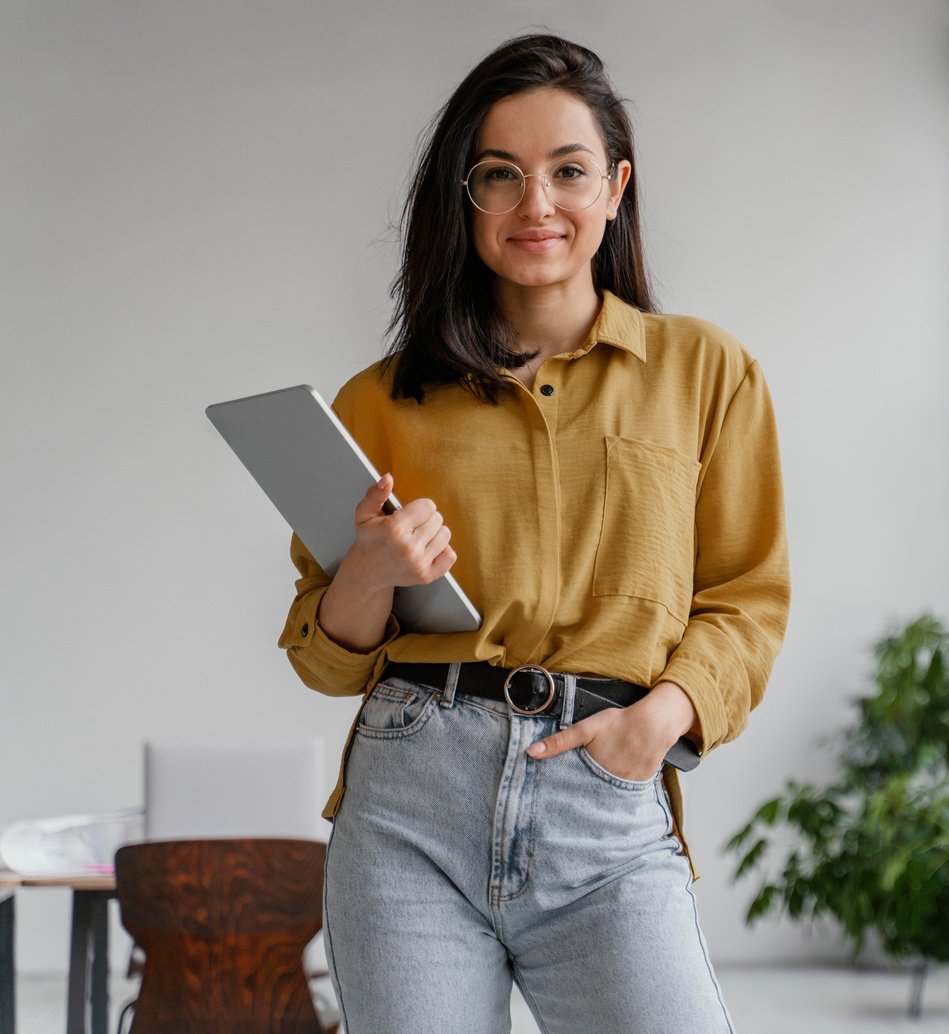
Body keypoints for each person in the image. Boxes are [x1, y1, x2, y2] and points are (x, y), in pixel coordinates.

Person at [277, 33, 789, 1033]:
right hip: (407, 805)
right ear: (462, 199)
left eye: (567, 171)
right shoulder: (377, 402)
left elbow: (745, 594)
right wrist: (371, 574)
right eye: (498, 176)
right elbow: (327, 658)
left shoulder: (706, 372)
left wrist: (662, 716)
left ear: (615, 186)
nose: (535, 205)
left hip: (605, 797)